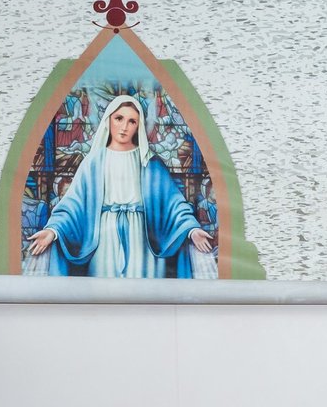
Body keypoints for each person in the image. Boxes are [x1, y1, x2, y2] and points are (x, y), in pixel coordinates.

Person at [25, 93, 213, 278]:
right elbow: (73, 205)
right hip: (105, 239)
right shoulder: (94, 162)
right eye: (119, 118)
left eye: (132, 121)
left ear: (138, 126)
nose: (124, 127)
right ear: (108, 120)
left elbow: (174, 204)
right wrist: (53, 231)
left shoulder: (150, 163)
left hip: (143, 240)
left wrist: (191, 229)